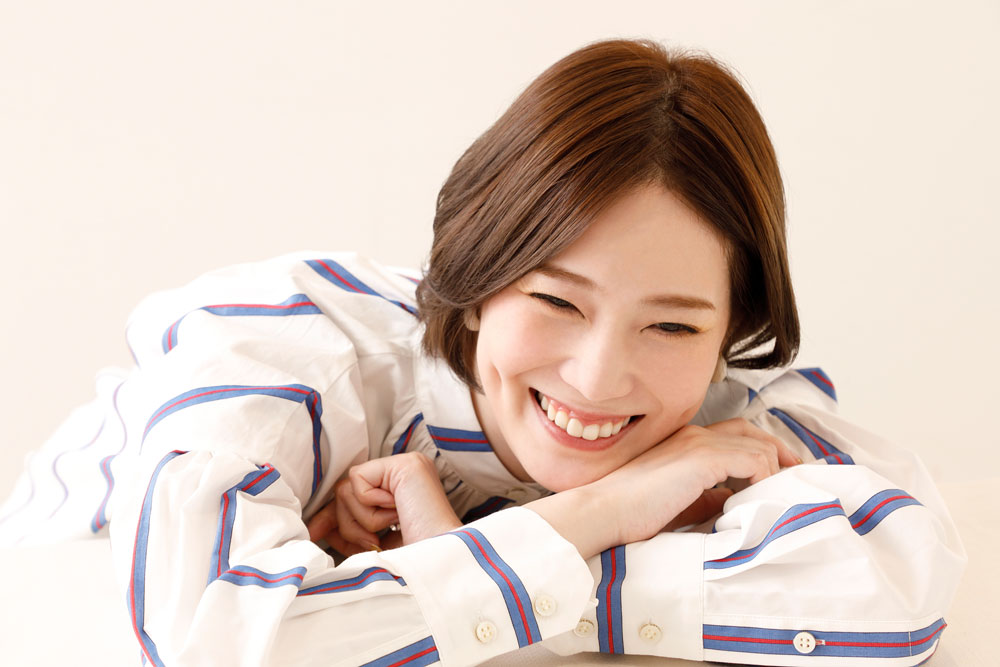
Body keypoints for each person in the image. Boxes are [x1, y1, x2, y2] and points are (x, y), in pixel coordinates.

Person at [0, 39, 964, 666]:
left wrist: (466, 573)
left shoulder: (722, 418)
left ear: (729, 333)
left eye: (672, 325)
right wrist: (598, 515)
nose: (599, 376)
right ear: (474, 271)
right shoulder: (289, 342)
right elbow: (216, 642)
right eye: (555, 300)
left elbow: (898, 590)